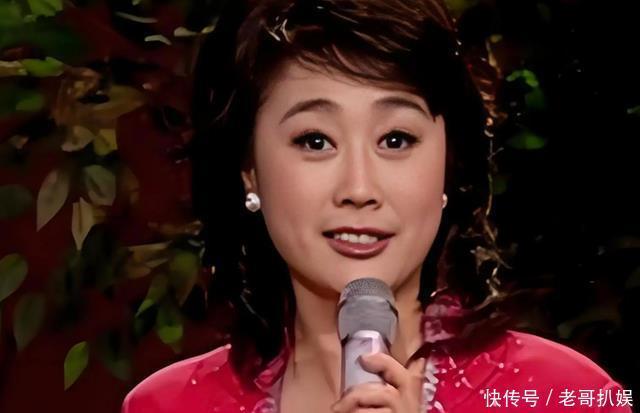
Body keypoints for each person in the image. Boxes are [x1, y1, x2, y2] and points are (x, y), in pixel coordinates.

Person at [121, 0, 633, 412]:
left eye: (396, 139)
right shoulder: (168, 405)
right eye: (315, 141)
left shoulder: (561, 395)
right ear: (248, 168)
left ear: (450, 164)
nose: (360, 187)